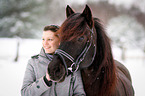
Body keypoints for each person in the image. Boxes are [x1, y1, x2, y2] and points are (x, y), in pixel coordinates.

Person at [21, 25, 86, 96]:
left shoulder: (72, 64)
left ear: (60, 41)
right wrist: (45, 80)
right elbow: (25, 93)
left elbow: (80, 94)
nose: (45, 43)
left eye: (50, 39)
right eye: (43, 39)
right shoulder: (33, 63)